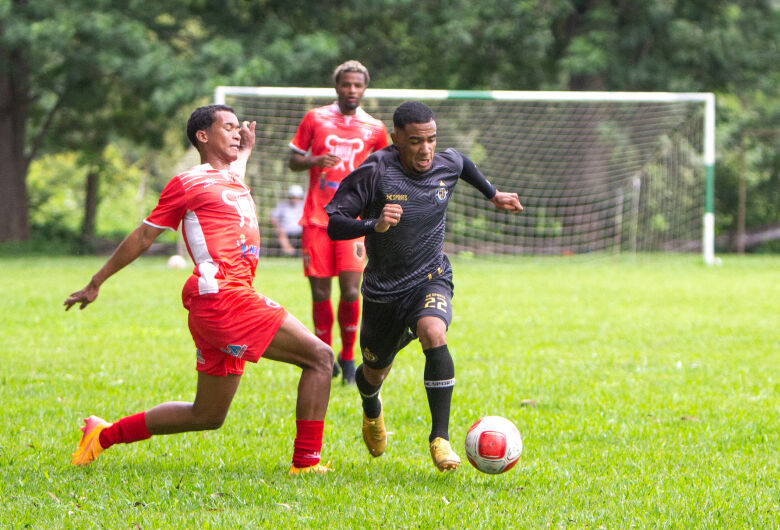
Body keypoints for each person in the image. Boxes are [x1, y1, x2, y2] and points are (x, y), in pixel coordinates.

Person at [64, 104, 334, 475]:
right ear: (203, 137)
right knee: (320, 357)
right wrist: (96, 282)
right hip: (225, 297)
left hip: (216, 304)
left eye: (239, 128)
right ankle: (306, 463)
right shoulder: (188, 183)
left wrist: (247, 148)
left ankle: (103, 435)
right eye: (228, 127)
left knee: (207, 414)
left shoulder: (233, 177)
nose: (237, 133)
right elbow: (144, 235)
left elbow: (234, 169)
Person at [325, 101, 523, 472]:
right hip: (384, 293)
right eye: (415, 141)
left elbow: (462, 163)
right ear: (396, 137)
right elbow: (334, 222)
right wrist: (374, 225)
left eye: (431, 139)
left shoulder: (445, 164)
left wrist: (492, 194)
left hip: (431, 278)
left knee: (434, 331)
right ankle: (372, 408)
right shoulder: (375, 172)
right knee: (372, 375)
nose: (425, 149)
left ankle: (440, 439)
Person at [288, 60, 389, 384]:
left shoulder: (374, 128)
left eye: (358, 85)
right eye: (346, 84)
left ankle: (348, 360)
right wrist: (315, 160)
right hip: (317, 219)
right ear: (337, 86)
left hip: (354, 223)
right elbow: (293, 161)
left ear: (364, 88)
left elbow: (387, 171)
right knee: (320, 294)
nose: (352, 90)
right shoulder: (315, 118)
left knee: (350, 291)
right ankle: (323, 355)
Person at [270, 184, 305, 256]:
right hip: (286, 230)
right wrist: (278, 228)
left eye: (296, 197)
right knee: (280, 233)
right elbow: (273, 217)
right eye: (293, 197)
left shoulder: (303, 205)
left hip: (299, 230)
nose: (294, 199)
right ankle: (289, 253)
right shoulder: (282, 205)